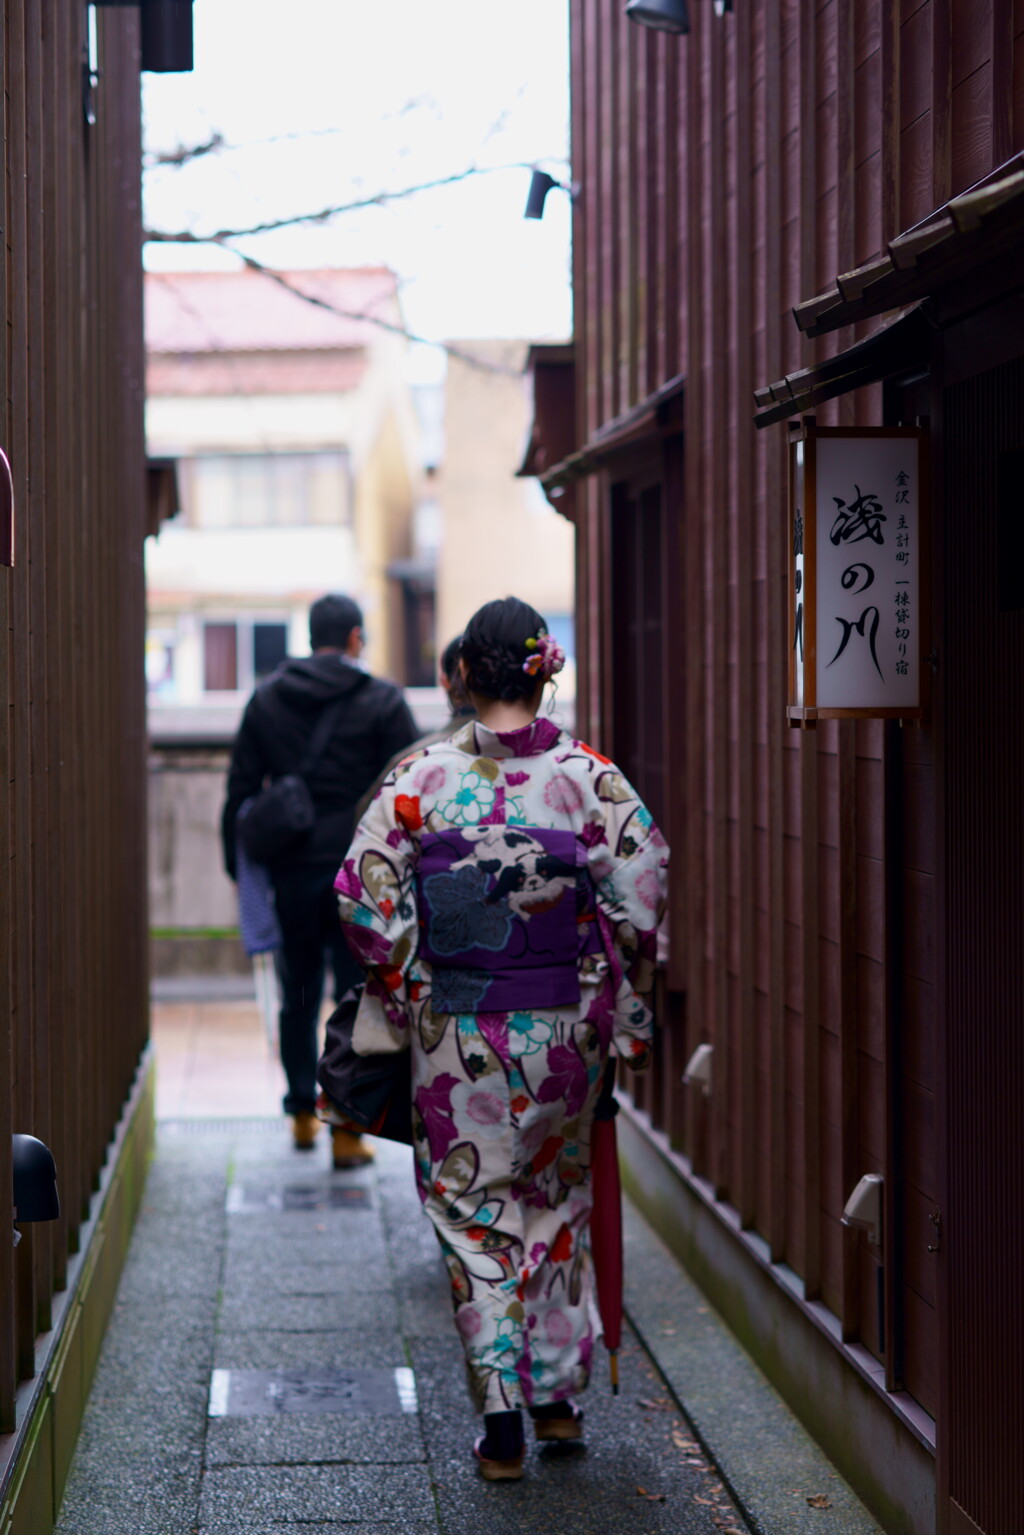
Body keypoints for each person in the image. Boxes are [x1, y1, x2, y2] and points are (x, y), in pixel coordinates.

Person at [334, 596, 668, 1478]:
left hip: (458, 1028)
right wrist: (615, 980)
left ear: (464, 675)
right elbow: (643, 889)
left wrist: (412, 983)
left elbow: (363, 893)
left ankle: (504, 1417)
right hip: (566, 1026)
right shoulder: (591, 778)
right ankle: (556, 1398)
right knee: (555, 1203)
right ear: (542, 668)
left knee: (473, 1213)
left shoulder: (422, 777)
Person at [221, 593, 418, 1164]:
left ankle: (302, 1114)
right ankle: (347, 1128)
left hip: (292, 868)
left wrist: (243, 873)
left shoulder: (267, 699)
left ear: (312, 638)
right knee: (357, 994)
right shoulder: (382, 700)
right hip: (363, 874)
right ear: (356, 638)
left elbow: (240, 792)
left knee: (298, 993)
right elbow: (409, 786)